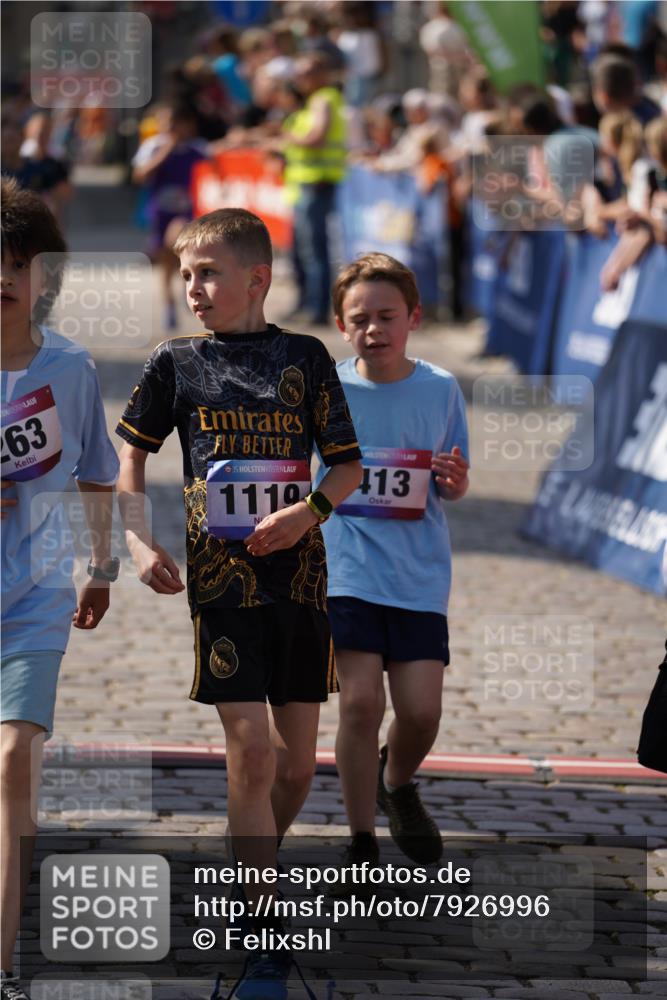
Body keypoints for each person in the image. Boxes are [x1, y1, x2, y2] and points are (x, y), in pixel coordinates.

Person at [115, 208, 361, 999]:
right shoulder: (175, 362)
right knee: (252, 752)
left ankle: (251, 861)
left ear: (257, 279)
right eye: (187, 275)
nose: (193, 288)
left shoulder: (306, 357)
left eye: (209, 274)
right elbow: (130, 460)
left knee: (294, 769)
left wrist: (304, 515)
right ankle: (262, 931)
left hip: (302, 585)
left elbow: (347, 468)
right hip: (222, 590)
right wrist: (138, 543)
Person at [1, 177, 119, 1000]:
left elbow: (97, 475)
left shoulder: (70, 368)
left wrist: (103, 568)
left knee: (15, 758)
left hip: (35, 600)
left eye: (19, 262)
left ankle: (4, 961)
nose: (3, 276)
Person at [322, 253, 469, 869]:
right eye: (360, 319)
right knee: (360, 704)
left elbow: (452, 479)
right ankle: (361, 841)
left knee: (421, 713)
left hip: (417, 575)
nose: (374, 329)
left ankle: (397, 781)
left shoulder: (440, 388)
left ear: (414, 318)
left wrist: (454, 482)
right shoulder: (326, 388)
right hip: (347, 567)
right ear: (341, 325)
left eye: (387, 316)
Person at [282, 53, 347, 325]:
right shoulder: (313, 102)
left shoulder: (323, 99)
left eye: (305, 72)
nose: (300, 78)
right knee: (301, 250)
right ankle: (306, 303)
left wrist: (288, 137)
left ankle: (317, 308)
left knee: (314, 250)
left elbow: (316, 137)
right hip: (304, 184)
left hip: (317, 183)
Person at [131, 103, 208, 330]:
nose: (168, 128)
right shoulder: (153, 146)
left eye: (173, 123)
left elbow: (213, 166)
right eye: (164, 123)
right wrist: (165, 151)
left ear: (187, 125)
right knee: (166, 261)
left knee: (176, 243)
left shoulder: (198, 148)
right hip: (160, 211)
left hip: (187, 213)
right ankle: (169, 304)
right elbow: (139, 175)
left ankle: (187, 290)